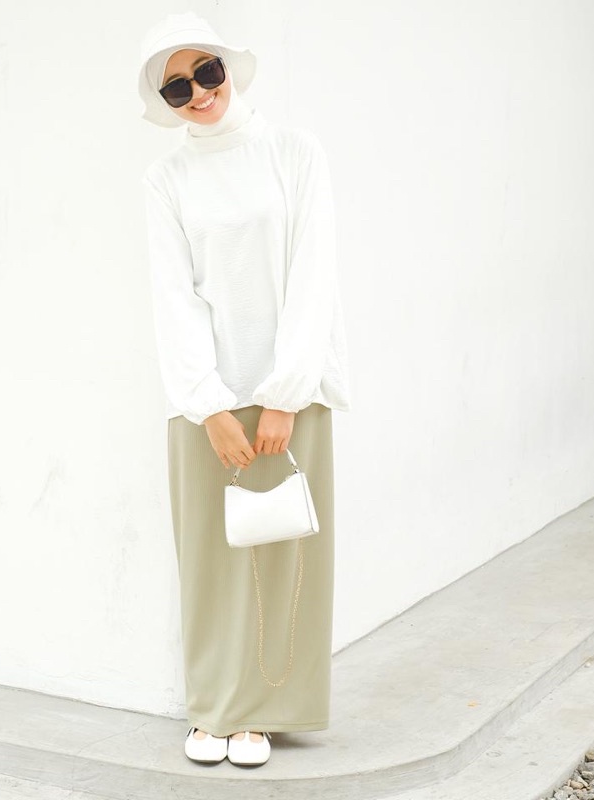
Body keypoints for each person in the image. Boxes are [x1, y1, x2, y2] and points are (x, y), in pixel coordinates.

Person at [137, 12, 351, 767]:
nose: (198, 93)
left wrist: (286, 391)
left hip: (292, 390)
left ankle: (264, 710)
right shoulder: (166, 178)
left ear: (229, 69)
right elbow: (172, 296)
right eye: (178, 86)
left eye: (207, 72)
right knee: (211, 557)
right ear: (164, 100)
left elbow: (314, 273)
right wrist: (209, 403)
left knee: (283, 555)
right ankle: (216, 709)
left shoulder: (294, 152)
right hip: (207, 403)